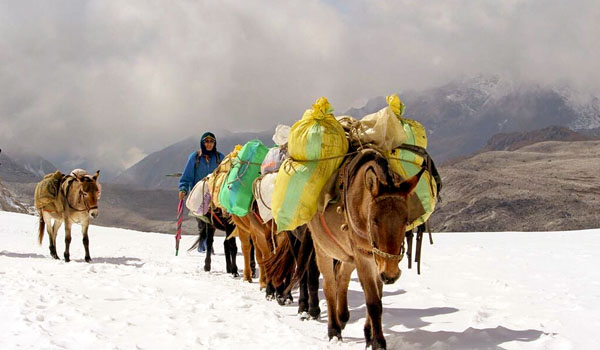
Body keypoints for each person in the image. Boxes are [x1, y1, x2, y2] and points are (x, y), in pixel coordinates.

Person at [178, 132, 224, 255]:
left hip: (214, 195)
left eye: (211, 142)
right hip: (199, 195)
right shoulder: (195, 158)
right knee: (202, 222)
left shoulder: (220, 158)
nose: (209, 144)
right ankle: (203, 247)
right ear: (202, 143)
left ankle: (207, 245)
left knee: (212, 221)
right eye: (206, 142)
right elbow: (187, 175)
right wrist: (183, 189)